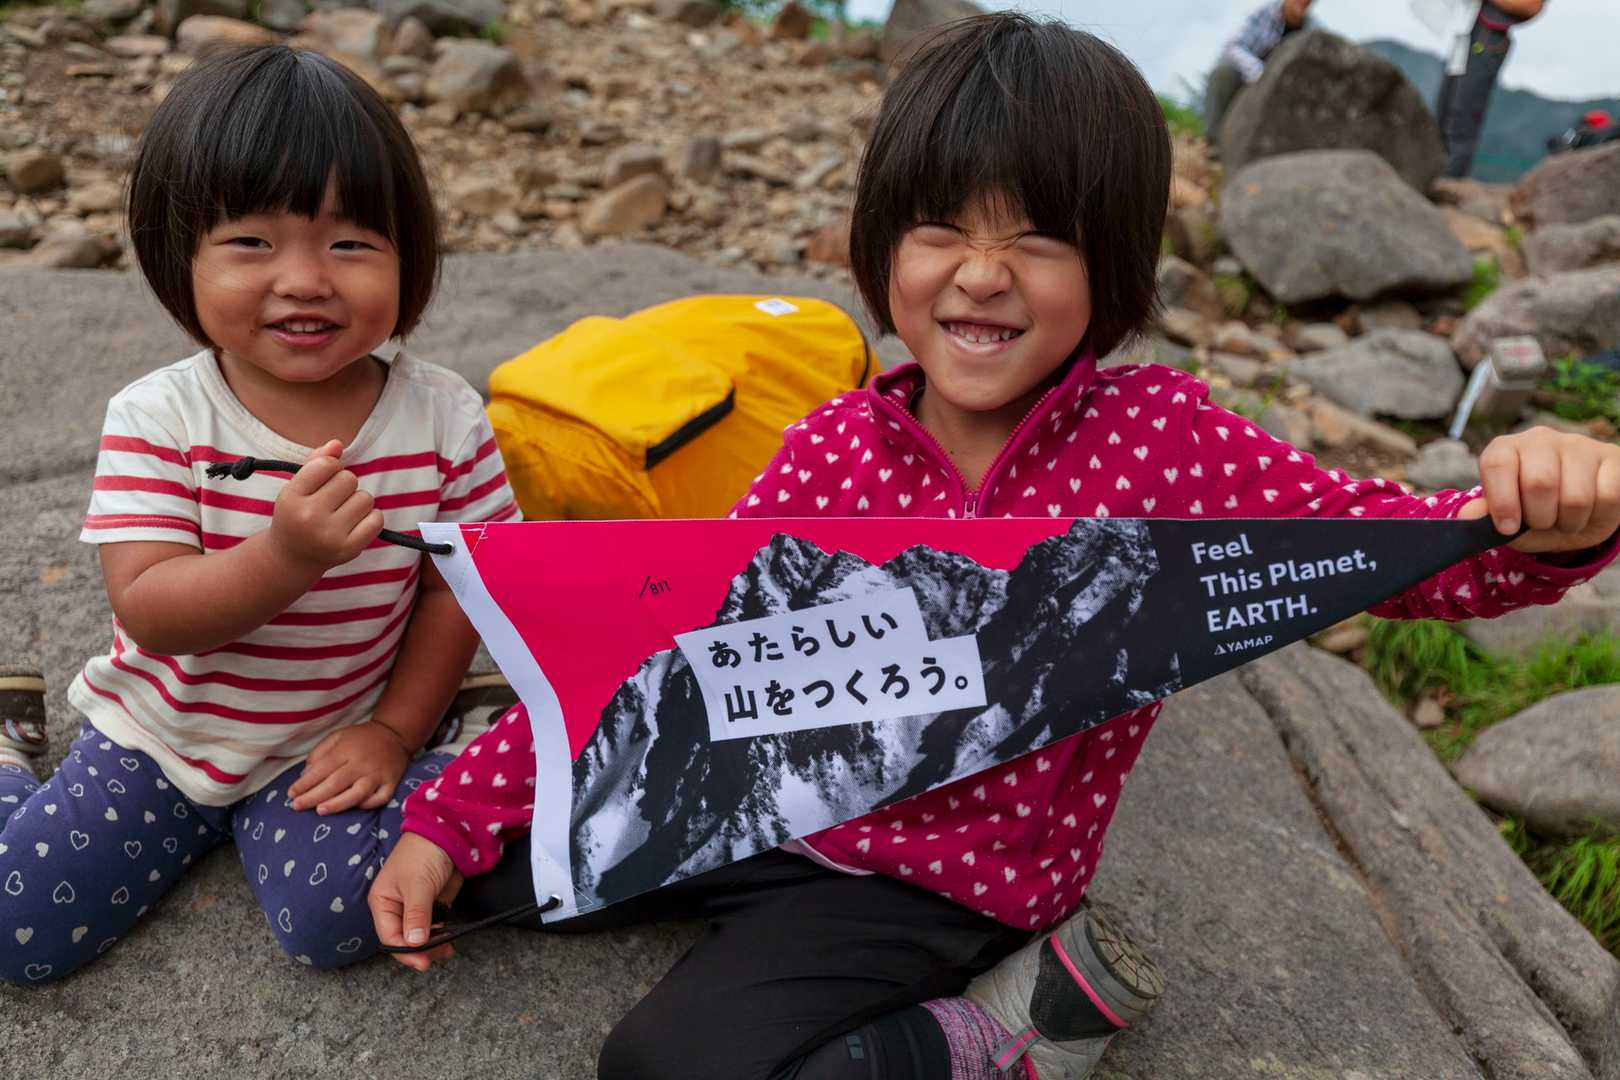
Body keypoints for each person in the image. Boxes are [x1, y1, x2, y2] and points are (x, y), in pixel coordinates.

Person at [370, 13, 1620, 1080]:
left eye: (1037, 237)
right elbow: (682, 653)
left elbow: (1393, 553)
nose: (980, 276)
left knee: (662, 1065)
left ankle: (1006, 1029)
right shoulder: (833, 445)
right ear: (882, 242)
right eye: (939, 230)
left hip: (943, 884)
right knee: (406, 884)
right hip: (761, 808)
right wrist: (458, 813)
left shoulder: (1164, 443)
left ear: (1114, 258)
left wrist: (1555, 513)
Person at [0, 45, 519, 984]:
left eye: (351, 244)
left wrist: (393, 731)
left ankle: (448, 723)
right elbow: (151, 609)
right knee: (17, 931)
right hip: (164, 740)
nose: (306, 279)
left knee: (348, 921)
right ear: (180, 256)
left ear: (409, 256)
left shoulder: (444, 417)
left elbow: (461, 590)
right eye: (251, 242)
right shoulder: (161, 416)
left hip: (329, 738)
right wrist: (284, 554)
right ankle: (7, 747)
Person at [1427, 0, 1548, 177]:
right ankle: (1430, 177)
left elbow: (1532, 6)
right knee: (1444, 112)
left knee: (1461, 119)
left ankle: (1448, 182)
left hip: (1489, 37)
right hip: (1467, 31)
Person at [1203, 0, 1314, 147]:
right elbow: (1232, 47)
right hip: (1249, 78)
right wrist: (1260, 72)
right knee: (1222, 73)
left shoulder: (1313, 29)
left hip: (1283, 92)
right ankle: (1213, 143)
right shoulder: (1262, 14)